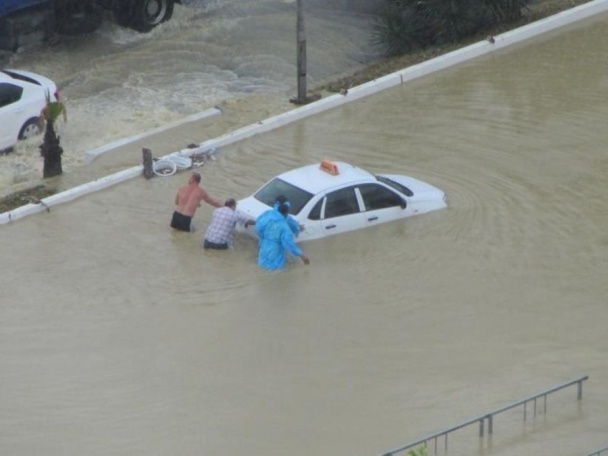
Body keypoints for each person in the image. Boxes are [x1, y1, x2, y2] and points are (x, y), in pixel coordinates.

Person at [258, 203, 310, 271]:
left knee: (262, 269)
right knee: (275, 274)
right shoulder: (284, 228)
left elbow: (260, 229)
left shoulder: (269, 220)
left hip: (263, 249)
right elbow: (288, 244)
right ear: (286, 213)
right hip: (275, 252)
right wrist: (302, 256)